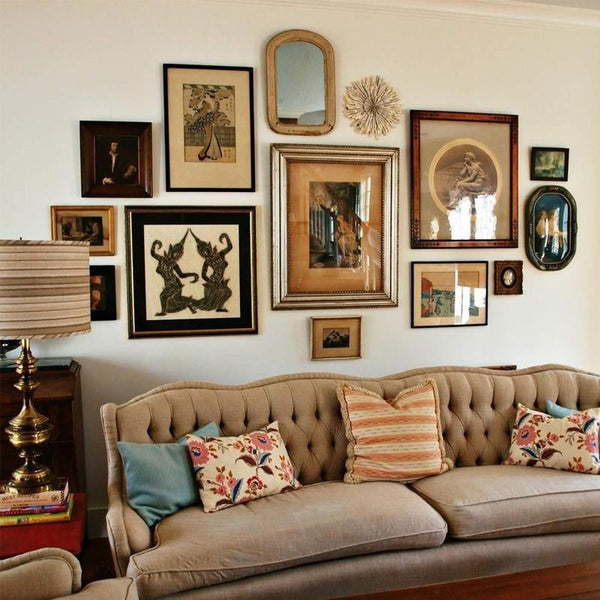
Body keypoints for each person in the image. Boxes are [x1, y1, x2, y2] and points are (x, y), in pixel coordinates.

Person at [151, 231, 199, 316]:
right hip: (170, 284)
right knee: (178, 299)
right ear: (171, 251)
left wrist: (193, 274)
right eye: (174, 253)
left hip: (174, 284)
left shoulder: (174, 264)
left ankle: (163, 312)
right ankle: (193, 303)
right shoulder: (161, 259)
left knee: (163, 296)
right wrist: (155, 243)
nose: (175, 256)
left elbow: (181, 275)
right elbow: (153, 253)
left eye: (178, 255)